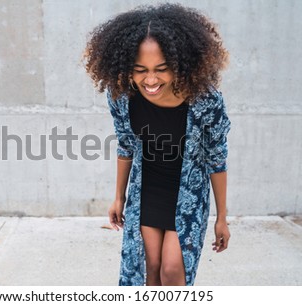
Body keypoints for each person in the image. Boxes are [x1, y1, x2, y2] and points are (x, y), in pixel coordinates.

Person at [83, 3, 231, 286]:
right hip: (147, 190)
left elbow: (217, 158)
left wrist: (222, 216)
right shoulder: (122, 97)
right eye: (140, 70)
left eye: (161, 69)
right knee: (149, 270)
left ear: (179, 64)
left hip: (187, 194)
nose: (150, 79)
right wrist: (119, 196)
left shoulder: (204, 101)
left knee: (172, 271)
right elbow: (126, 145)